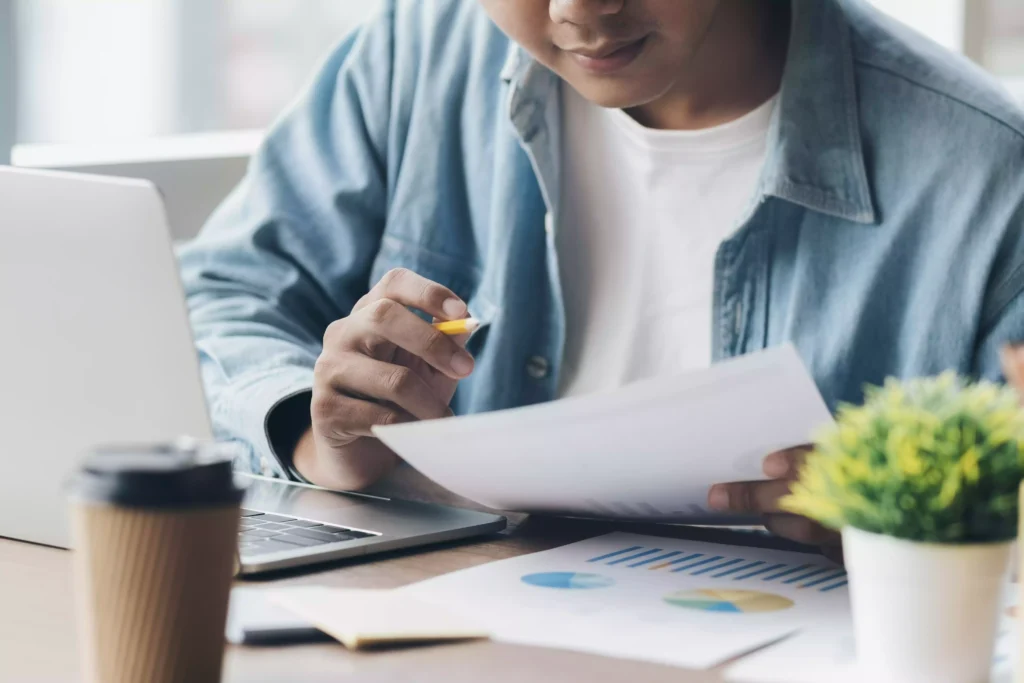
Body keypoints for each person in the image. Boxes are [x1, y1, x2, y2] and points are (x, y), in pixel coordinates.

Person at [178, 0, 1024, 554]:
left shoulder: (983, 176)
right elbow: (216, 300)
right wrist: (317, 436)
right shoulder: (417, 52)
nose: (580, 12)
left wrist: (900, 526)